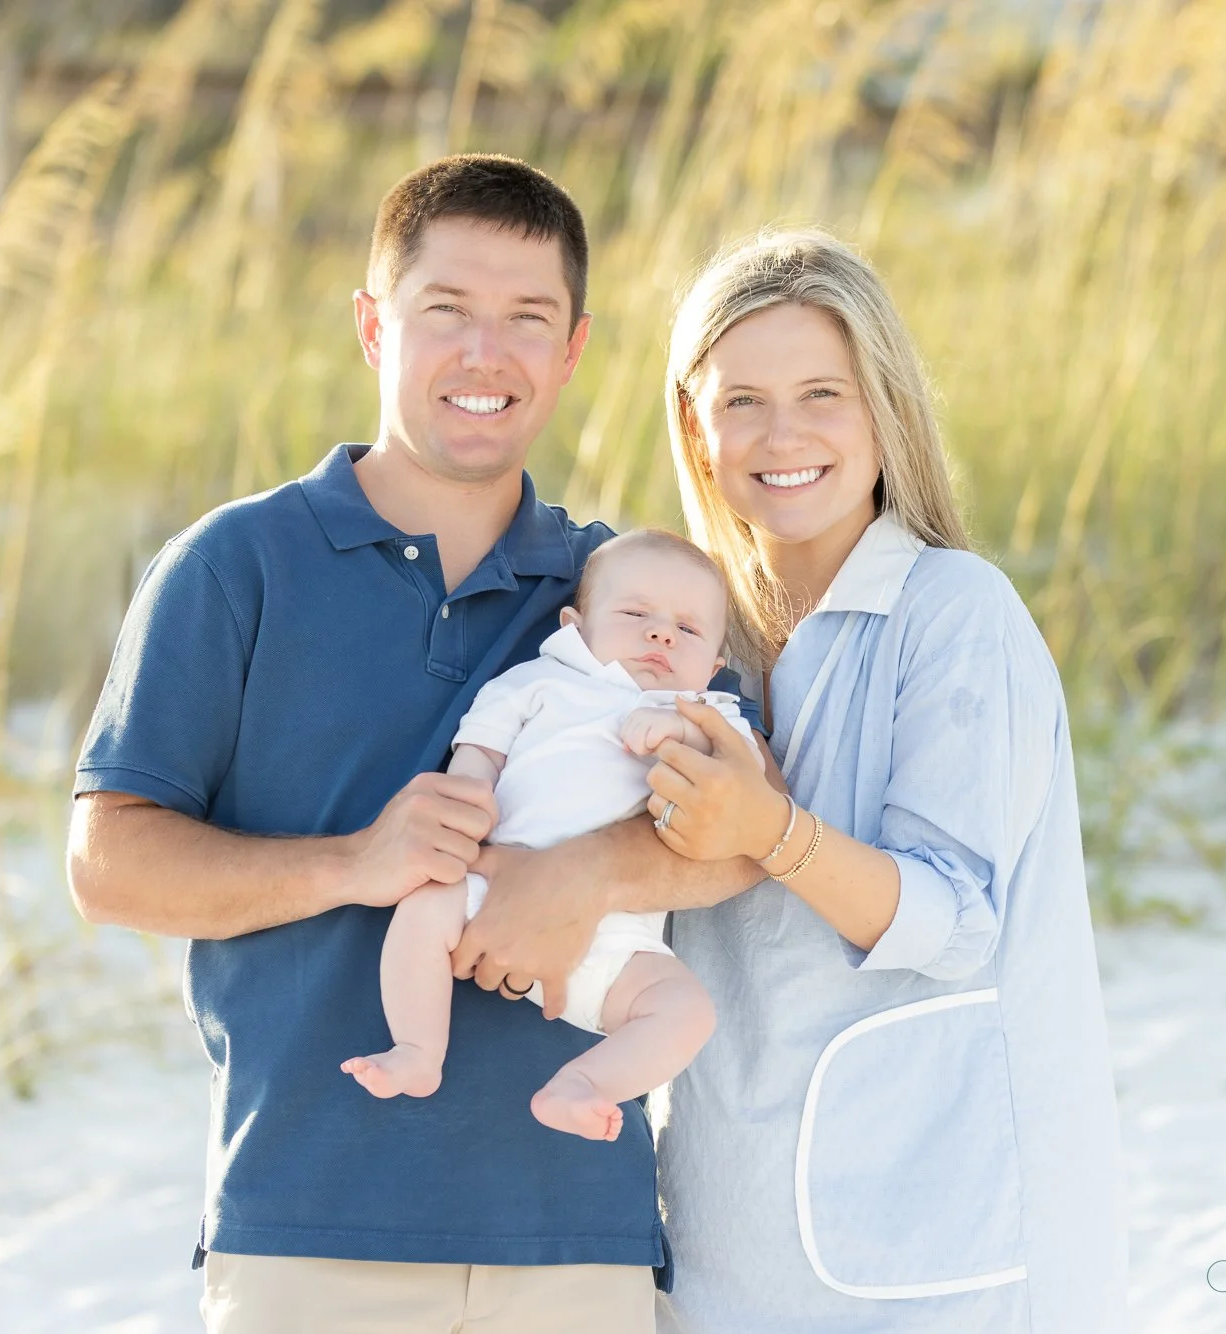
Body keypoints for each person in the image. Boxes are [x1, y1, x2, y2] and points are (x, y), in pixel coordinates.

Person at [65, 155, 749, 1334]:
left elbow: (751, 829)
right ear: (374, 326)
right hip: (311, 1226)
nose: (486, 356)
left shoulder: (622, 594)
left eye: (526, 320)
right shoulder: (235, 566)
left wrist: (582, 874)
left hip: (570, 1234)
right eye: (446, 312)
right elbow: (107, 864)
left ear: (572, 350)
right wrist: (353, 863)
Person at [511, 228, 1133, 1330]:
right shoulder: (689, 646)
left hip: (940, 1244)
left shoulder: (954, 612)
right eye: (741, 399)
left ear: (885, 409)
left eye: (820, 393)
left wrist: (767, 826)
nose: (781, 433)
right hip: (725, 1230)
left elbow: (954, 919)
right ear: (695, 429)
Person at [343, 530, 756, 1142]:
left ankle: (582, 1085)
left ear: (715, 664)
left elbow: (741, 787)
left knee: (687, 1012)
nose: (662, 635)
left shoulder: (706, 713)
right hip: (490, 882)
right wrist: (469, 802)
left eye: (688, 631)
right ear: (575, 624)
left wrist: (681, 731)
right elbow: (478, 750)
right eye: (636, 614)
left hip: (616, 930)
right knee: (424, 906)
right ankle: (417, 1049)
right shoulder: (537, 682)